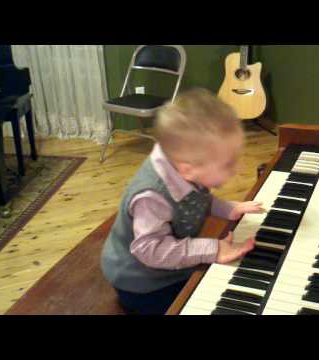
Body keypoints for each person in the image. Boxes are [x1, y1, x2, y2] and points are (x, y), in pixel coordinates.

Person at [100, 88, 264, 315]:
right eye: (228, 164)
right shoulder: (152, 197)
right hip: (141, 281)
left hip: (169, 263)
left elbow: (199, 196)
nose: (236, 169)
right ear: (188, 169)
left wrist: (229, 209)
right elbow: (151, 251)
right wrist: (212, 249)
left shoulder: (184, 165)